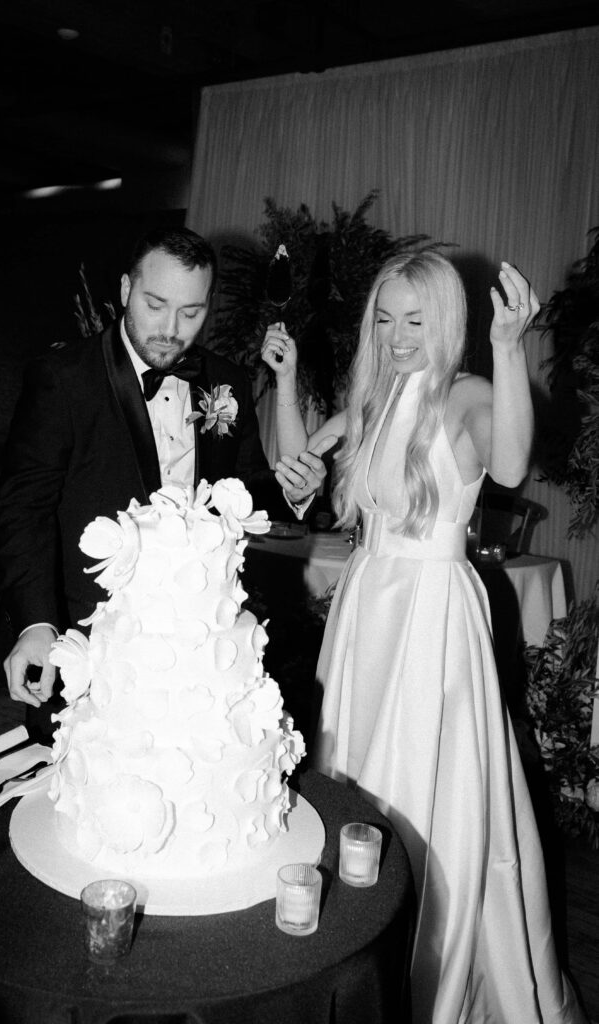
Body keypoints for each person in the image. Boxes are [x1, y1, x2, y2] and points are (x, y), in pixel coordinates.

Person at [262, 252, 586, 1024]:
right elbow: (292, 468)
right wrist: (284, 381)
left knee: (427, 784)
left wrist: (509, 348)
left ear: (444, 321)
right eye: (385, 318)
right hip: (367, 605)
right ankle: (358, 944)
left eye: (415, 319)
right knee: (354, 779)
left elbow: (508, 465)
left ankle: (431, 966)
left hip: (434, 616)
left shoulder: (470, 393)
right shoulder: (374, 399)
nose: (398, 336)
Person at [0, 226, 326, 736]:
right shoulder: (63, 378)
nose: (171, 329)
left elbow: (247, 487)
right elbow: (24, 509)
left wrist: (292, 492)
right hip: (90, 637)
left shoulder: (225, 381)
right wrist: (38, 625)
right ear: (127, 289)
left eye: (190, 313)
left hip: (193, 638)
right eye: (155, 304)